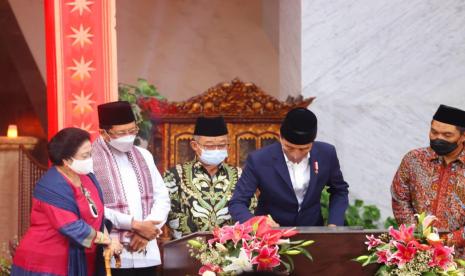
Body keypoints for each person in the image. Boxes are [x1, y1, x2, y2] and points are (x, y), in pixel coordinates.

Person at [12, 127, 122, 276]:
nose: (91, 159)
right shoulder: (51, 185)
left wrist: (108, 238)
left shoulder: (88, 177)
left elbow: (98, 216)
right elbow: (72, 226)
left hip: (81, 258)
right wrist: (107, 240)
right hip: (46, 263)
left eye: (91, 153)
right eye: (85, 156)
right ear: (66, 161)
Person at [228, 107, 349, 226]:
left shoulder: (326, 154)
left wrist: (335, 223)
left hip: (312, 230)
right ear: (280, 137)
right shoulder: (259, 160)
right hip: (271, 235)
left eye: (304, 149)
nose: (296, 155)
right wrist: (258, 224)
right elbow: (237, 202)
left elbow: (339, 190)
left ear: (312, 142)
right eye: (289, 148)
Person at [92, 101, 170, 276]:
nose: (129, 136)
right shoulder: (90, 159)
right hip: (112, 251)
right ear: (104, 133)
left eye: (132, 130)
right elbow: (93, 207)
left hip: (146, 249)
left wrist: (147, 231)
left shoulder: (144, 155)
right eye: (121, 133)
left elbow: (162, 196)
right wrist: (134, 224)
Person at [163, 116, 256, 238]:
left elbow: (252, 208)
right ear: (195, 146)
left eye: (222, 145)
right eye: (210, 146)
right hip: (189, 247)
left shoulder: (240, 174)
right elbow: (168, 212)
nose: (216, 150)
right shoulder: (174, 175)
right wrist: (199, 237)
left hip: (231, 248)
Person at [392, 104, 465, 250]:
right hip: (418, 252)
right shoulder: (414, 159)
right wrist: (417, 236)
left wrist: (445, 241)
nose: (438, 138)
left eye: (447, 135)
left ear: (463, 136)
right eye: (434, 132)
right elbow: (400, 198)